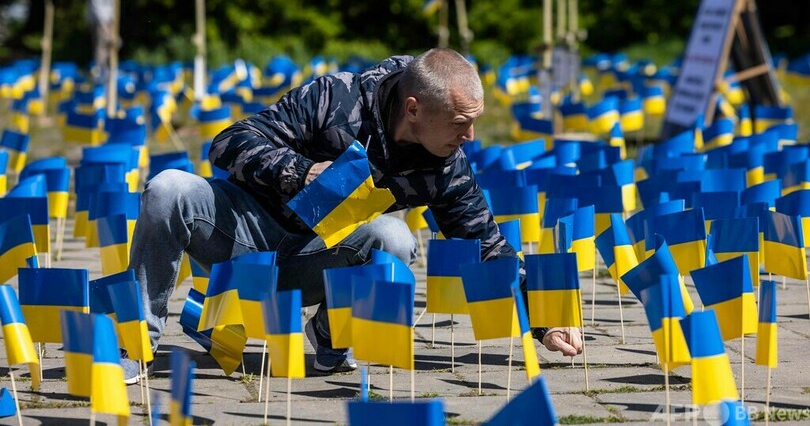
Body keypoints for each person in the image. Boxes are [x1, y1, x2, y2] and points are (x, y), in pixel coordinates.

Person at [123, 48, 582, 383]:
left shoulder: (446, 163)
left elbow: (484, 244)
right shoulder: (336, 98)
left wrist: (545, 319)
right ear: (414, 109)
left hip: (314, 256)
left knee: (395, 239)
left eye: (474, 121)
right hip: (241, 235)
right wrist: (300, 171)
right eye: (460, 122)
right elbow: (227, 143)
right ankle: (136, 345)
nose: (471, 136)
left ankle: (329, 337)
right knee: (167, 188)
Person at [85, 0, 121, 82]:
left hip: (108, 22)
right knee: (103, 47)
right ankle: (100, 75)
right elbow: (97, 6)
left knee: (112, 45)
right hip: (101, 22)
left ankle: (108, 73)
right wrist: (104, 25)